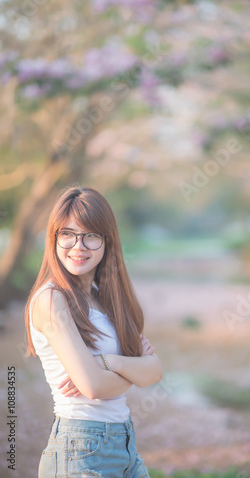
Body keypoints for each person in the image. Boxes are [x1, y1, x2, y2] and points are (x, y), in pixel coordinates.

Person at [24, 186, 163, 477]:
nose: (78, 246)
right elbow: (94, 388)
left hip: (124, 442)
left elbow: (155, 372)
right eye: (67, 234)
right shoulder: (51, 299)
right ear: (54, 238)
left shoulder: (105, 298)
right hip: (80, 449)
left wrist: (107, 363)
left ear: (106, 242)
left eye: (91, 235)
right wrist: (131, 369)